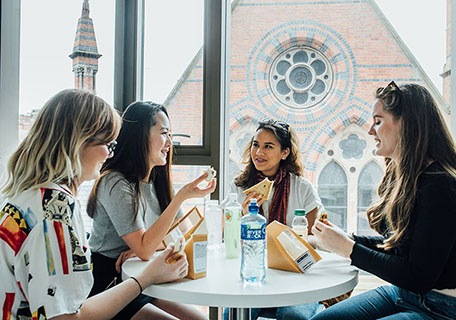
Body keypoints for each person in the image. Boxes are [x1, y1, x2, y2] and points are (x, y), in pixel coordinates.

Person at [0, 89, 188, 320]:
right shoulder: (55, 208)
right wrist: (146, 278)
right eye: (107, 144)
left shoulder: (29, 196)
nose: (109, 154)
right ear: (77, 142)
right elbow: (69, 318)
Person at [309, 82, 456, 320]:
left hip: (448, 308)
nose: (370, 131)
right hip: (405, 294)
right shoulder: (404, 176)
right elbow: (402, 246)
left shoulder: (443, 186)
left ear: (407, 125)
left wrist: (348, 249)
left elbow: (419, 276)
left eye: (378, 121)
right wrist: (346, 239)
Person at [87, 101, 215, 319]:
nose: (169, 142)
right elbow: (146, 249)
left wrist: (145, 250)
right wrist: (182, 197)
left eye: (171, 134)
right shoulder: (115, 183)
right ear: (140, 135)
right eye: (164, 133)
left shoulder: (157, 181)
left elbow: (183, 236)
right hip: (111, 286)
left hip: (146, 279)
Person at [229, 118, 324, 320]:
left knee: (293, 316)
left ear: (285, 152)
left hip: (296, 273)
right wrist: (246, 218)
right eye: (255, 145)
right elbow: (229, 242)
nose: (258, 153)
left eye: (268, 146)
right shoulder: (238, 188)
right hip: (253, 270)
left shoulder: (302, 188)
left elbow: (316, 238)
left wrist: (289, 240)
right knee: (233, 315)